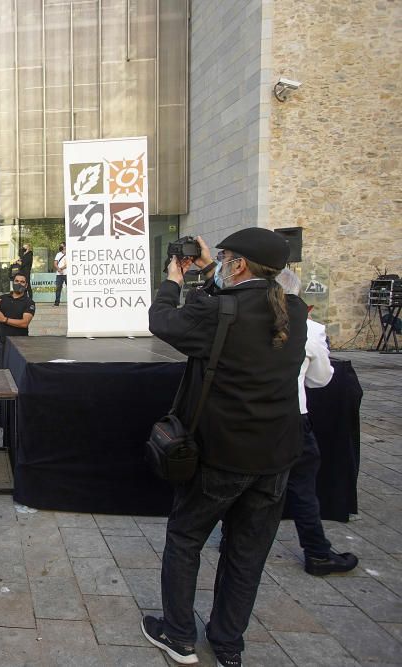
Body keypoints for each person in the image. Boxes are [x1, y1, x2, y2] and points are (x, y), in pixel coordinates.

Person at [143, 229, 307, 667]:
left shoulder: (219, 312)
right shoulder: (293, 310)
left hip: (222, 454)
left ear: (238, 265)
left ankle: (178, 636)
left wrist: (174, 279)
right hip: (275, 455)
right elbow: (245, 297)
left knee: (185, 537)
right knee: (246, 552)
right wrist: (212, 271)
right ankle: (228, 643)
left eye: (224, 257)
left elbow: (162, 320)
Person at [275, 269, 358, 576]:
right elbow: (321, 379)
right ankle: (317, 552)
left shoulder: (242, 322)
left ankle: (231, 537)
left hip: (249, 418)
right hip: (291, 417)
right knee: (301, 487)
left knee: (245, 482)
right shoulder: (308, 330)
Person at [0, 272, 35, 369]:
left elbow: (25, 323)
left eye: (22, 282)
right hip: (2, 343)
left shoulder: (29, 302)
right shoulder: (2, 298)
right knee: (1, 371)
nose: (19, 284)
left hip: (20, 345)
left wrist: (4, 319)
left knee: (18, 371)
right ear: (13, 283)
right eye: (16, 281)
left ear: (26, 285)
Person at [53, 242, 67, 306]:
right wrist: (59, 270)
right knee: (58, 288)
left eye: (62, 246)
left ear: (65, 246)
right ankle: (57, 302)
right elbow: (55, 263)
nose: (60, 247)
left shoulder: (69, 253)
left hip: (67, 274)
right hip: (59, 274)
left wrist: (61, 269)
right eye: (60, 246)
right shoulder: (58, 254)